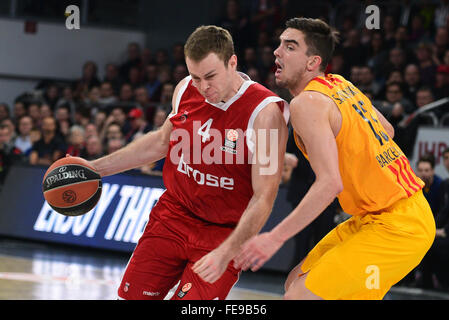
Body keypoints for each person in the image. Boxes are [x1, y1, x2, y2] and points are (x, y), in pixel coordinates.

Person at [234, 17, 436, 300]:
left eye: (290, 47)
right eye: (279, 44)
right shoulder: (340, 84)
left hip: (399, 226)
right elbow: (387, 130)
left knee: (299, 297)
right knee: (295, 282)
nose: (277, 52)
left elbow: (330, 184)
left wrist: (273, 238)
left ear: (312, 62)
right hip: (377, 217)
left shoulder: (306, 102)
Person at [82, 25, 289, 300]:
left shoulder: (265, 113)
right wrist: (94, 169)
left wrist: (227, 252)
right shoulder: (185, 90)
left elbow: (264, 197)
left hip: (223, 232)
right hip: (174, 216)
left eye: (211, 76)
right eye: (196, 77)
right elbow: (160, 142)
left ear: (232, 62)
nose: (203, 87)